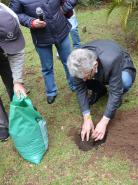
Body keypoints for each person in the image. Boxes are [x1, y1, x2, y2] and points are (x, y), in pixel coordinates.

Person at [67, 40, 136, 141]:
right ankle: (100, 91)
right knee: (84, 81)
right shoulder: (77, 64)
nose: (84, 80)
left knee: (124, 82)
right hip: (99, 67)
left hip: (120, 63)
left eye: (86, 76)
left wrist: (103, 122)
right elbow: (80, 89)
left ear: (95, 65)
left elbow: (115, 92)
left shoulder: (112, 60)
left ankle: (117, 97)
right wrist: (87, 118)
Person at [10, 0, 77, 104]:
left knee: (68, 61)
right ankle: (51, 92)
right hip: (40, 37)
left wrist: (64, 9)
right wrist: (31, 22)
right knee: (47, 67)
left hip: (61, 28)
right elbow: (14, 14)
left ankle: (75, 85)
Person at [0, 3, 27, 141]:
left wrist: (18, 81)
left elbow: (17, 53)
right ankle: (2, 125)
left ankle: (20, 110)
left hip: (3, 51)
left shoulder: (12, 16)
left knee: (12, 82)